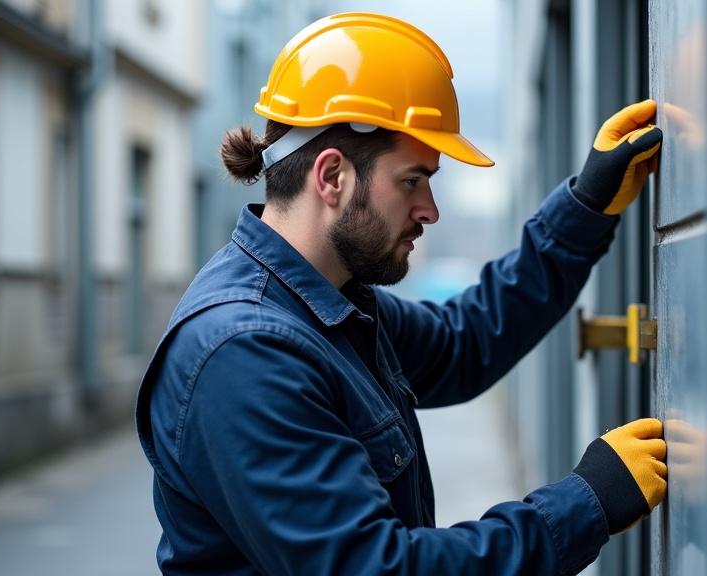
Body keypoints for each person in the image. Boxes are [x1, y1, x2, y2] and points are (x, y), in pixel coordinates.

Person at [136, 12, 666, 576]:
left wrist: (584, 207)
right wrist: (584, 504)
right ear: (332, 176)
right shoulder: (245, 352)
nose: (430, 211)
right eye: (413, 180)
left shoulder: (332, 306)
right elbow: (374, 568)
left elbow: (466, 341)